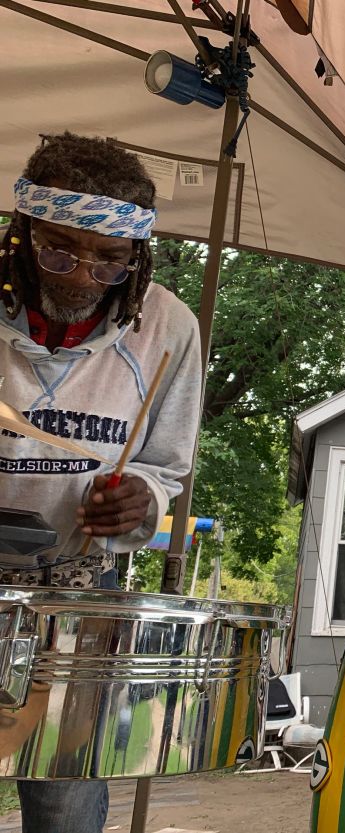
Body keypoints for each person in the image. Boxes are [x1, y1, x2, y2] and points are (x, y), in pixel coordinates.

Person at [0, 134, 202, 832]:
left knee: (63, 789)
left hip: (77, 583)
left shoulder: (169, 327)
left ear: (138, 256)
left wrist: (142, 496)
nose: (83, 276)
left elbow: (168, 464)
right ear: (22, 232)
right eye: (58, 250)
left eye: (111, 260)